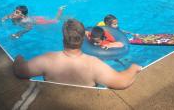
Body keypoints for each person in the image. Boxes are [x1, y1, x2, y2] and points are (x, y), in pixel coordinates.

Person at [13, 19, 142, 88]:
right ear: (83, 39)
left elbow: (20, 71)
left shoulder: (47, 59)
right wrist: (133, 68)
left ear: (63, 38)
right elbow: (122, 82)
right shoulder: (94, 64)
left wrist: (19, 58)